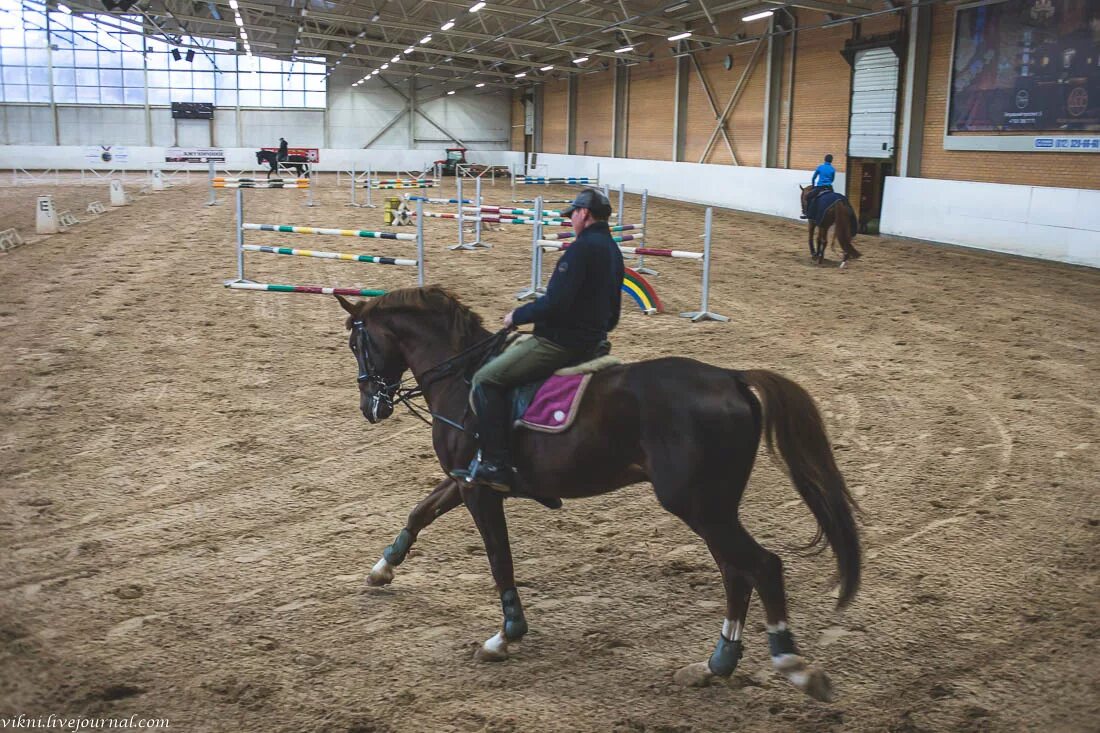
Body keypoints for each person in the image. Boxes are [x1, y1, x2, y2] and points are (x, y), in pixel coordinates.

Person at [451, 188, 625, 493]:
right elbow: (613, 312)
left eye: (573, 214)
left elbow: (555, 303)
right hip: (593, 340)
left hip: (560, 343)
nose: (571, 220)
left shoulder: (580, 249)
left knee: (485, 379)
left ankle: (496, 463)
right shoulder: (613, 250)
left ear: (584, 213)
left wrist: (517, 316)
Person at [802, 153, 835, 219]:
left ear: (824, 160)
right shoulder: (832, 169)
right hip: (829, 187)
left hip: (820, 187)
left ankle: (807, 213)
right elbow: (832, 179)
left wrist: (813, 185)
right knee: (834, 199)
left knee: (808, 197)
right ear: (831, 161)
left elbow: (814, 177)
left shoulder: (820, 167)